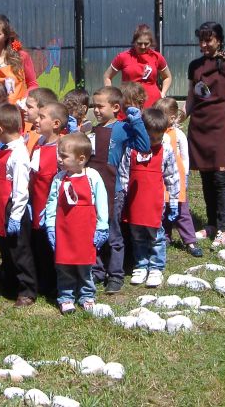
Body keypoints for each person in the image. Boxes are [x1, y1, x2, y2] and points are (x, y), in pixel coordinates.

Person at [186, 22, 225, 248]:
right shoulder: (194, 66)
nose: (204, 45)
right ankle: (211, 224)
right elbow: (191, 98)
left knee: (220, 176)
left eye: (208, 40)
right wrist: (180, 116)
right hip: (199, 124)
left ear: (218, 40)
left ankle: (224, 229)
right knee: (205, 175)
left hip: (220, 123)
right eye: (201, 41)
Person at [89, 85, 150, 294]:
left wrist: (137, 122)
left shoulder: (122, 128)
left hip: (113, 190)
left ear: (115, 107)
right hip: (92, 189)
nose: (96, 110)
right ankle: (97, 270)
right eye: (94, 106)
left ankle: (115, 274)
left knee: (113, 233)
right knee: (95, 231)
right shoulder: (92, 129)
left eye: (100, 106)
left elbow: (144, 145)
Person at [43, 133, 109, 314]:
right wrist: (50, 226)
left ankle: (87, 295)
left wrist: (102, 226)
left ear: (81, 159)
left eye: (64, 156)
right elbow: (52, 203)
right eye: (59, 154)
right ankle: (66, 297)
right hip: (64, 230)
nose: (59, 159)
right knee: (64, 266)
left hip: (85, 229)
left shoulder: (92, 176)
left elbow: (102, 202)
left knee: (85, 265)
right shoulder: (59, 178)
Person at [119, 108, 180, 289]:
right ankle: (141, 265)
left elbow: (172, 176)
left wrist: (174, 201)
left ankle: (156, 267)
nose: (154, 142)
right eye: (151, 138)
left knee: (156, 236)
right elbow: (124, 174)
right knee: (137, 235)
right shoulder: (131, 148)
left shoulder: (166, 149)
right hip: (135, 201)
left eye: (158, 138)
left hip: (154, 202)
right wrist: (123, 197)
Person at [0, 103, 36, 307]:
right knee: (6, 248)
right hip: (1, 206)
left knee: (19, 251)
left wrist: (16, 215)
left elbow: (21, 189)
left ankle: (27, 290)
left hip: (13, 208)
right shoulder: (5, 149)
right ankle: (10, 282)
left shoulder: (19, 154)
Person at [153, 97, 203, 258]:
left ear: (172, 117)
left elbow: (185, 157)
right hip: (160, 177)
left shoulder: (178, 134)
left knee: (181, 210)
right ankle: (166, 237)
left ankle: (190, 240)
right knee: (163, 208)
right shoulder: (155, 135)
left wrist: (185, 176)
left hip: (177, 178)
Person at [29, 101, 68, 295]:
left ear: (56, 123)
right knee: (39, 245)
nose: (36, 120)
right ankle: (41, 279)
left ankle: (55, 283)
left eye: (42, 117)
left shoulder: (62, 148)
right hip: (36, 204)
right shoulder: (38, 143)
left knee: (52, 245)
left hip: (52, 208)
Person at [103, 24, 172, 108]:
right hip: (129, 102)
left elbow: (167, 77)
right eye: (139, 43)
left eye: (146, 44)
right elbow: (107, 76)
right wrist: (111, 96)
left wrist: (162, 93)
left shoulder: (157, 57)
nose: (143, 46)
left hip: (153, 102)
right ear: (134, 42)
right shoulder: (123, 57)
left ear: (151, 43)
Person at [24, 87, 58, 152]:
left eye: (29, 107)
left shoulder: (46, 136)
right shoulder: (28, 128)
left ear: (43, 109)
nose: (24, 109)